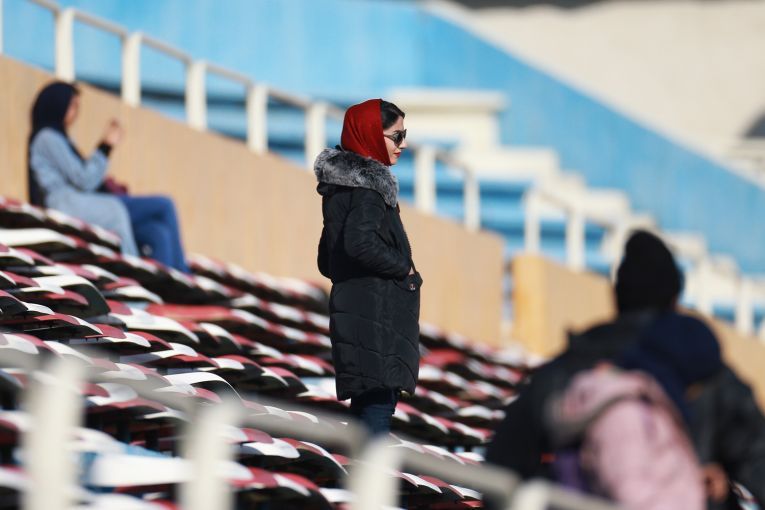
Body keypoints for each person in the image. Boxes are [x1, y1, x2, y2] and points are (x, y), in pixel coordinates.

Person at [485, 230, 765, 508]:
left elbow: (502, 467)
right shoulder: (704, 369)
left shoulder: (568, 367)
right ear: (675, 298)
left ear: (616, 296)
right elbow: (758, 459)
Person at [314, 99, 422, 435]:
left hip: (358, 318)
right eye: (397, 136)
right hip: (377, 323)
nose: (403, 144)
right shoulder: (370, 190)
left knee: (366, 417)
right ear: (372, 135)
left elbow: (327, 260)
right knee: (376, 416)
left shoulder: (340, 189)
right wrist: (404, 268)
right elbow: (358, 244)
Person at [548, 313, 724, 509]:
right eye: (697, 382)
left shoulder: (646, 408)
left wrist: (691, 482)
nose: (696, 393)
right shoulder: (626, 414)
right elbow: (633, 497)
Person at [28, 81, 190, 273]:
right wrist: (105, 146)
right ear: (57, 104)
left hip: (86, 203)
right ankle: (182, 274)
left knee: (157, 233)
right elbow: (84, 180)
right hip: (70, 204)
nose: (75, 113)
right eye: (72, 106)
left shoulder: (60, 138)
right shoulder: (47, 137)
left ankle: (164, 283)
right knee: (164, 205)